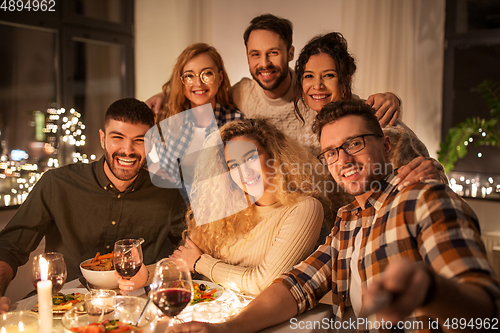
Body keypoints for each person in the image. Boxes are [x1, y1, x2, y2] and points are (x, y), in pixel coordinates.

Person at [170, 100, 499, 333]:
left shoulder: (423, 198)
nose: (343, 160)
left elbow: (486, 312)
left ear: (386, 146)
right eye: (331, 152)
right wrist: (229, 329)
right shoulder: (349, 219)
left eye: (354, 144)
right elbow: (297, 285)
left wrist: (429, 290)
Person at [0, 98, 186, 313]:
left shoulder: (167, 193)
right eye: (118, 137)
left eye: (139, 140)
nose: (128, 150)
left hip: (136, 313)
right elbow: (9, 248)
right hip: (63, 309)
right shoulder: (57, 184)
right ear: (102, 138)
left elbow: (188, 253)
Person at [121, 118, 325, 296]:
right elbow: (184, 259)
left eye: (251, 158)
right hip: (214, 311)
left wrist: (200, 262)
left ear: (274, 156)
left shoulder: (305, 209)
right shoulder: (228, 209)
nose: (244, 172)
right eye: (233, 165)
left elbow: (264, 282)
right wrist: (145, 275)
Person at [146, 14, 400, 153]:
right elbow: (204, 90)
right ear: (247, 56)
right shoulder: (242, 94)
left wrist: (389, 98)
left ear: (290, 53)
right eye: (255, 54)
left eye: (273, 53)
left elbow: (346, 105)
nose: (264, 63)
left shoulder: (311, 89)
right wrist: (166, 95)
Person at [293, 32, 448, 182]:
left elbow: (431, 176)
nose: (318, 85)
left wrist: (430, 178)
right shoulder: (305, 136)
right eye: (309, 76)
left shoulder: (377, 121)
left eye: (328, 75)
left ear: (346, 80)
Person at [149, 43, 243, 193]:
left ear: (220, 78)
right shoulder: (169, 118)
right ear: (181, 81)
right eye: (189, 76)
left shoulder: (235, 121)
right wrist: (151, 167)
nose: (198, 83)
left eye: (207, 74)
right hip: (174, 208)